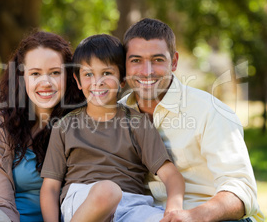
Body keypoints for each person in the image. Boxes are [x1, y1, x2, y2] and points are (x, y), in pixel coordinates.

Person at [119, 18, 264, 222]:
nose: (147, 71)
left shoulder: (210, 112)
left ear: (174, 62)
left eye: (158, 60)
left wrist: (192, 217)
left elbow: (241, 191)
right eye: (136, 60)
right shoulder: (118, 113)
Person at [40, 34, 185, 222]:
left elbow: (172, 175)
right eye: (88, 74)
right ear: (77, 80)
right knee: (107, 191)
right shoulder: (65, 127)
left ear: (122, 80)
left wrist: (173, 210)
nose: (97, 82)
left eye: (107, 73)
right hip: (84, 204)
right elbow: (50, 188)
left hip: (131, 205)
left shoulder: (138, 123)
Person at [0, 31, 84, 222]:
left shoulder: (80, 124)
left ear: (69, 77)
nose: (46, 82)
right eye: (35, 73)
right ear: (21, 77)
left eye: (55, 72)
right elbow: (1, 204)